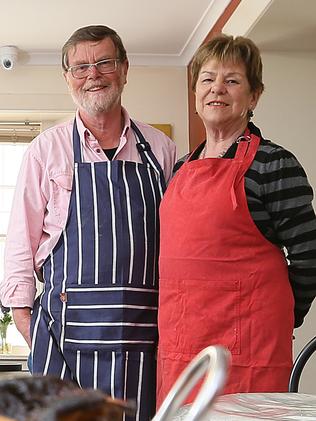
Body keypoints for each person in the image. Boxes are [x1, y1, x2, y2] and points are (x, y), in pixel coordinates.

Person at [0, 25, 176, 421]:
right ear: (67, 79)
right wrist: (26, 319)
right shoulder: (45, 150)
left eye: (103, 63)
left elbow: (176, 245)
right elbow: (20, 242)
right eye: (80, 67)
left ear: (124, 69)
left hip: (143, 341)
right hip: (65, 339)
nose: (92, 74)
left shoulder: (161, 150)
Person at [156, 34, 316, 406]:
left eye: (232, 80)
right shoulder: (180, 168)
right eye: (207, 79)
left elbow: (309, 255)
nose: (217, 89)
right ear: (196, 93)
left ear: (254, 95)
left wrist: (279, 318)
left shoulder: (275, 164)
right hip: (181, 348)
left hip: (249, 351)